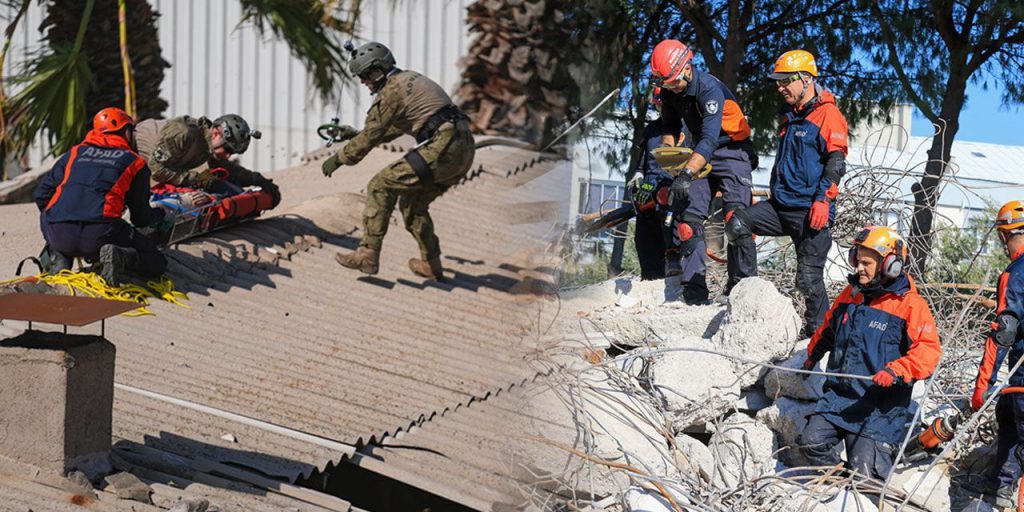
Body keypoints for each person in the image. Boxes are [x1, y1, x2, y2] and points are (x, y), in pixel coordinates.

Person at [320, 41, 475, 280]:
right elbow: (392, 127)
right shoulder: (409, 78)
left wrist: (338, 159)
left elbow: (369, 139)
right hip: (462, 150)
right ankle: (431, 265)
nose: (363, 82)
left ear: (376, 70)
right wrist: (354, 134)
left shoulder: (390, 91)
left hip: (442, 147)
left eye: (364, 76)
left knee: (379, 186)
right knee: (413, 206)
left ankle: (367, 255)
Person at [798, 226, 941, 480]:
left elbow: (928, 352)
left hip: (878, 412)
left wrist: (897, 370)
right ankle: (839, 487)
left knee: (865, 476)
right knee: (810, 442)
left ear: (890, 266)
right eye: (857, 261)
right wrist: (811, 356)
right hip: (839, 401)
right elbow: (827, 330)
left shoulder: (910, 305)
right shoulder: (850, 295)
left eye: (866, 263)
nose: (859, 268)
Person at [725, 49, 849, 336]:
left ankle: (819, 338)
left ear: (805, 79)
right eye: (778, 82)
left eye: (785, 81)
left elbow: (836, 163)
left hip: (810, 213)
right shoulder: (791, 117)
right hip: (780, 207)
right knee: (738, 224)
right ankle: (746, 293)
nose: (780, 87)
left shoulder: (828, 115)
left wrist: (823, 201)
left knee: (808, 280)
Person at [649, 39, 756, 304]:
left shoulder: (709, 89)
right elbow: (670, 129)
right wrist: (669, 158)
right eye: (666, 84)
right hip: (699, 150)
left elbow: (709, 139)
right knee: (688, 223)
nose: (671, 87)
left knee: (737, 221)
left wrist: (686, 174)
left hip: (732, 149)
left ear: (687, 68)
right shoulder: (669, 91)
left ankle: (742, 290)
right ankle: (694, 293)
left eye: (674, 81)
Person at [34, 107, 169, 286]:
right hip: (99, 234)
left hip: (59, 233)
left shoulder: (74, 153)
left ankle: (58, 254)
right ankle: (120, 256)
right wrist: (160, 215)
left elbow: (41, 195)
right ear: (127, 132)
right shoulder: (135, 162)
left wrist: (60, 222)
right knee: (157, 261)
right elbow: (141, 218)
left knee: (49, 214)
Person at [969, 200, 1024, 508]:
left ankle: (1004, 492)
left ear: (1006, 236)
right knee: (1007, 415)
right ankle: (998, 489)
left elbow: (1004, 332)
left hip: (1023, 377)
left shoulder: (1015, 273)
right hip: (1019, 381)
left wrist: (982, 386)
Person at [134, 114, 280, 207]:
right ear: (216, 133)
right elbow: (157, 170)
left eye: (233, 153)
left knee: (217, 184)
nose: (229, 156)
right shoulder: (184, 133)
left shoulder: (209, 144)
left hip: (154, 167)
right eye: (228, 150)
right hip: (130, 159)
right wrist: (196, 179)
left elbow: (229, 171)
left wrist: (259, 180)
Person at [628, 87, 681, 279]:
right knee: (644, 223)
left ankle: (673, 260)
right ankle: (650, 274)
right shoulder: (652, 130)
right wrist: (638, 176)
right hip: (651, 183)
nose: (662, 109)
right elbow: (642, 163)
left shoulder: (686, 128)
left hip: (672, 184)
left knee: (669, 220)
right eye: (659, 106)